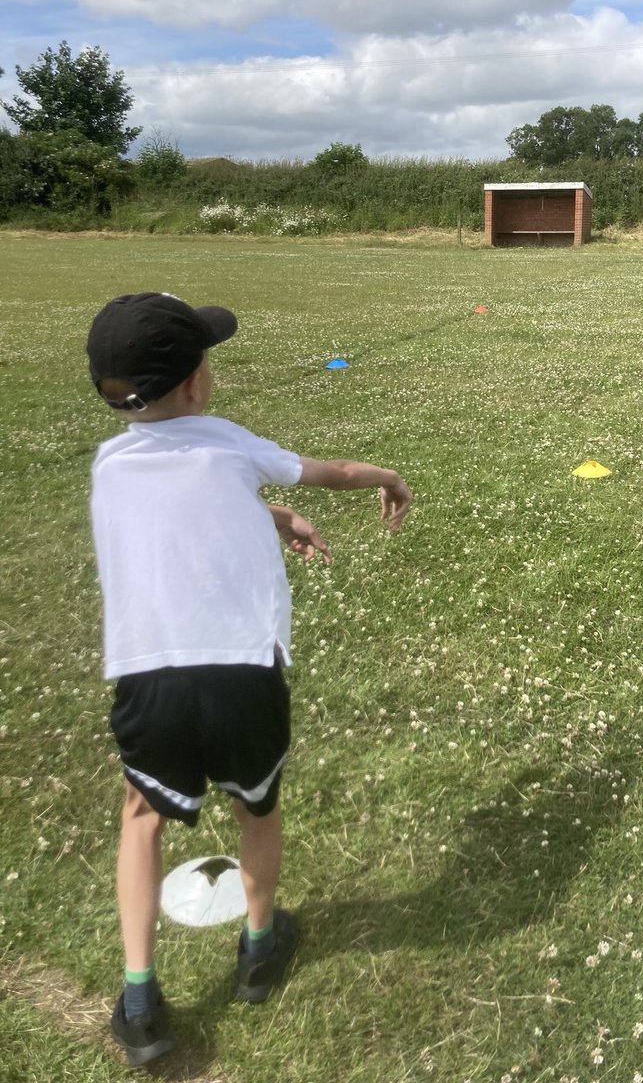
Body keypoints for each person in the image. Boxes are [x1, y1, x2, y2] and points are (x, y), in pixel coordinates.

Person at [86, 292, 412, 1067]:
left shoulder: (108, 466)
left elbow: (181, 503)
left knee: (142, 817)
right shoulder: (230, 442)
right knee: (257, 810)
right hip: (241, 672)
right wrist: (386, 476)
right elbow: (326, 472)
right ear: (198, 382)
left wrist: (273, 519)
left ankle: (139, 1003)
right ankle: (259, 951)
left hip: (151, 681)